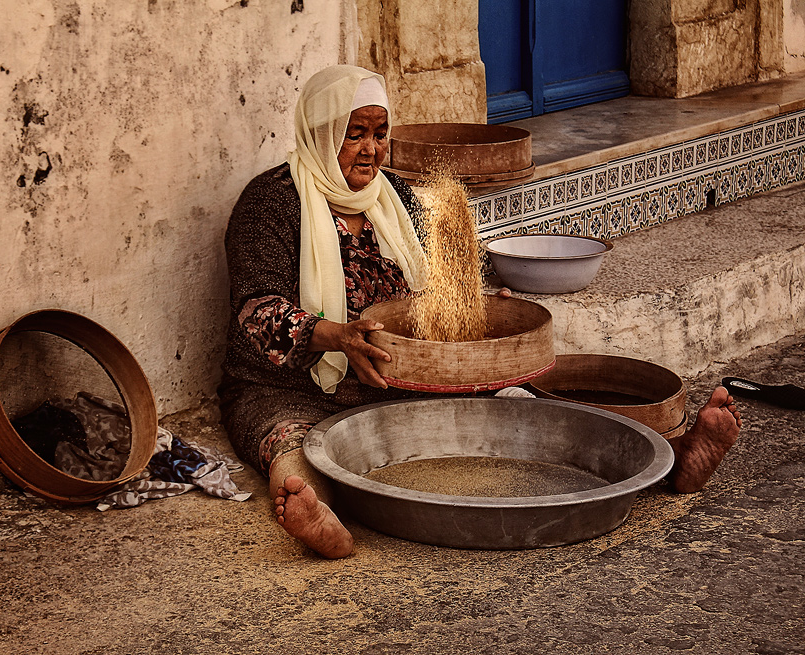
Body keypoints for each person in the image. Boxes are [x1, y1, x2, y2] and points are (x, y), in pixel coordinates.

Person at [218, 65, 742, 559]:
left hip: (407, 372)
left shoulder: (395, 197)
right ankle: (316, 513)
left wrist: (480, 311)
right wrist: (338, 338)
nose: (372, 150)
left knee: (530, 410)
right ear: (321, 130)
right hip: (295, 386)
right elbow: (255, 312)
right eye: (355, 134)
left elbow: (440, 286)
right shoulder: (273, 202)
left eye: (381, 134)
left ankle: (672, 456)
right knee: (293, 442)